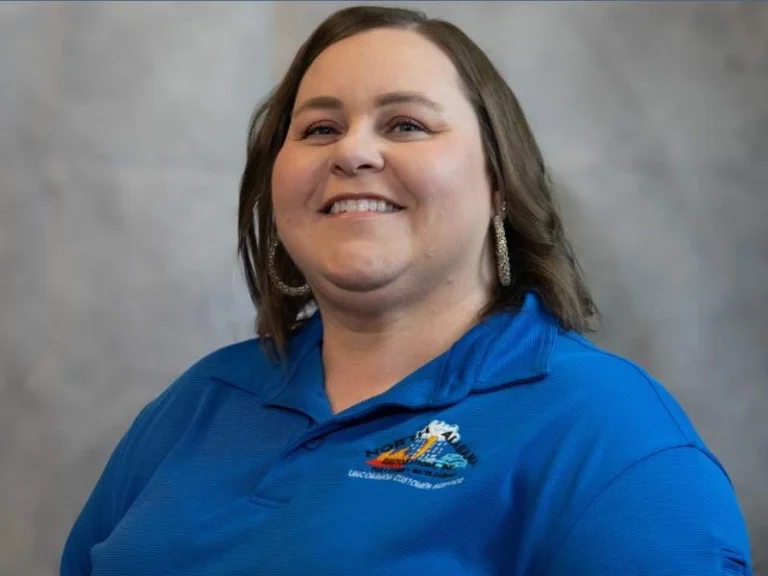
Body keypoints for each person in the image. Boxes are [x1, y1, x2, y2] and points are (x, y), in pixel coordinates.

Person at [61, 5, 753, 575]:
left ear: (500, 186)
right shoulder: (198, 405)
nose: (352, 153)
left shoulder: (611, 439)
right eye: (319, 129)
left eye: (406, 125)